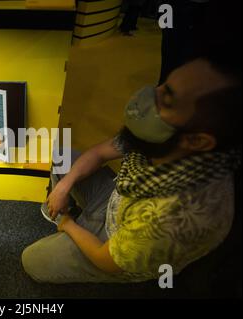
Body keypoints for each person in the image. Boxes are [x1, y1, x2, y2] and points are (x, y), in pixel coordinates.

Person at [22, 53, 241, 283]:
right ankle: (79, 215)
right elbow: (99, 152)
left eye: (165, 100)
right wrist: (63, 188)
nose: (145, 99)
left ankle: (79, 224)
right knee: (61, 155)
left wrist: (68, 224)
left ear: (198, 141)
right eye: (162, 86)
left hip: (116, 242)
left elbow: (106, 260)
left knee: (32, 261)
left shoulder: (174, 218)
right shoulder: (165, 141)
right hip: (119, 199)